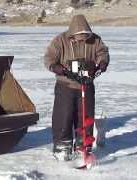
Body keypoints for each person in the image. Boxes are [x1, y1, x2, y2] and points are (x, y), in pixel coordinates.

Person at [44, 14, 110, 161]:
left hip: (86, 85)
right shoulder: (60, 40)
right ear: (73, 32)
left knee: (85, 117)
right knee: (64, 116)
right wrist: (59, 69)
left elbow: (103, 52)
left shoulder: (95, 39)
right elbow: (49, 58)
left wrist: (102, 64)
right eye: (80, 34)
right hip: (65, 85)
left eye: (85, 34)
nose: (83, 37)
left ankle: (83, 146)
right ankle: (62, 146)